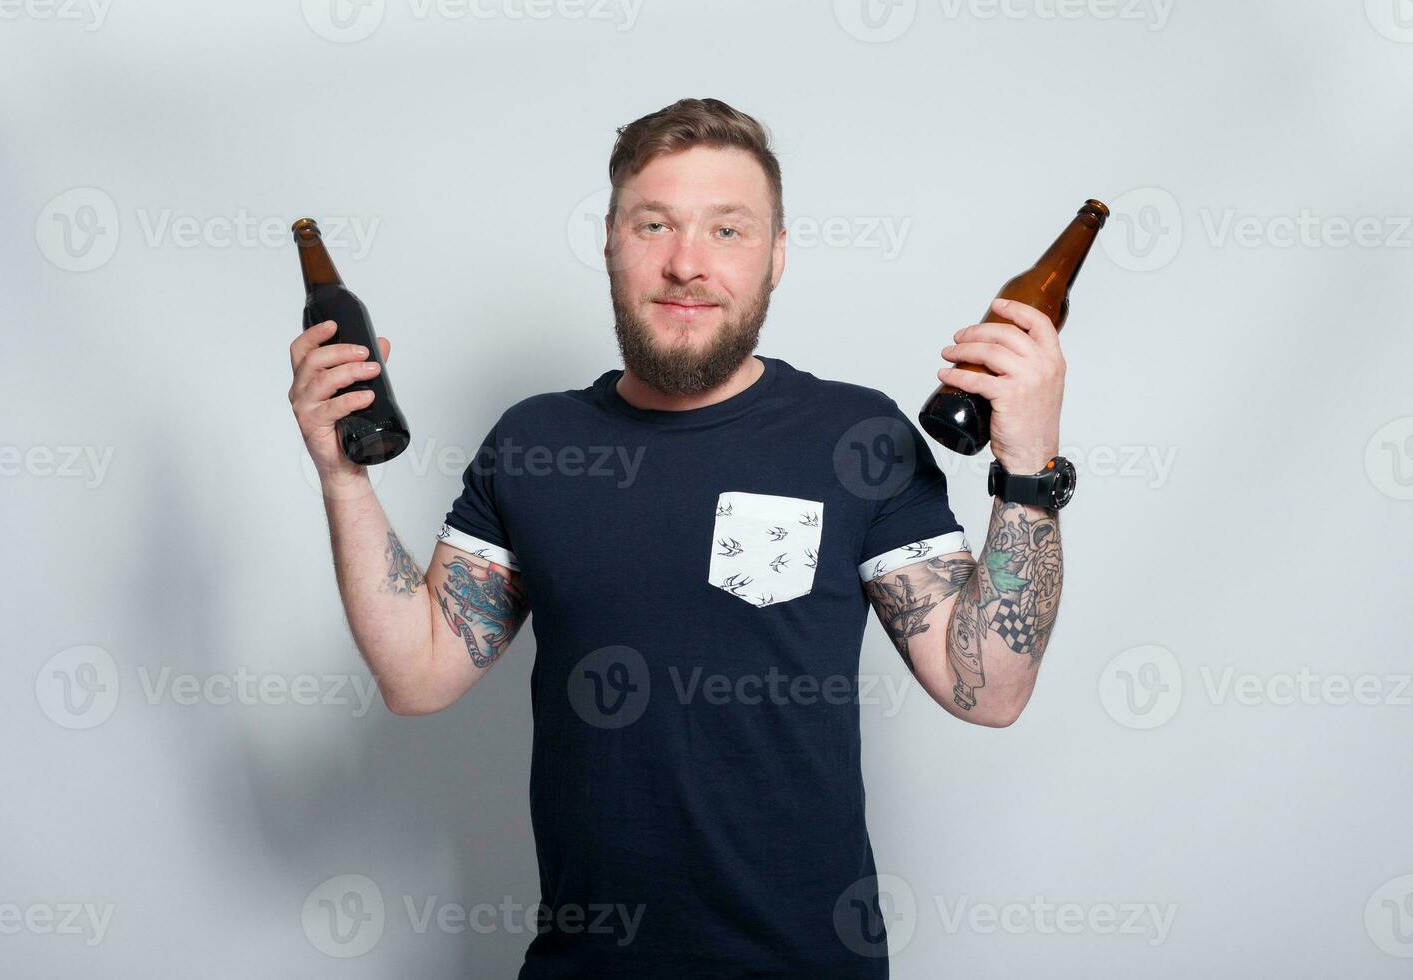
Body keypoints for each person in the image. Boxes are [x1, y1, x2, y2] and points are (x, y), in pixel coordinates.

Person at [286, 97, 1071, 979]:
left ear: (775, 257)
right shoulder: (536, 443)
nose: (686, 263)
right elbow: (418, 672)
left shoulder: (859, 438)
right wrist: (340, 473)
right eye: (653, 223)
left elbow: (987, 689)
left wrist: (1029, 467)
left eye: (727, 230)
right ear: (611, 244)